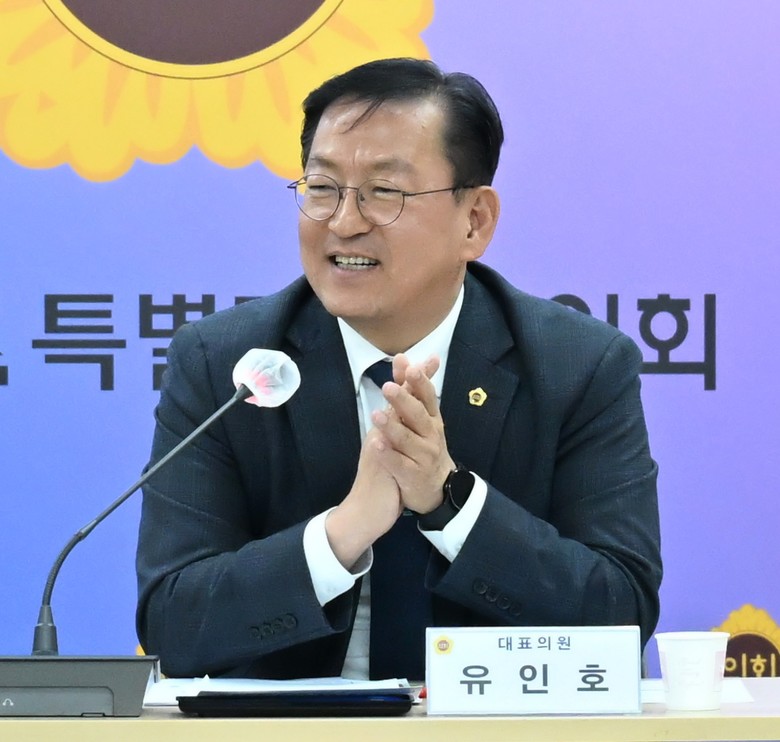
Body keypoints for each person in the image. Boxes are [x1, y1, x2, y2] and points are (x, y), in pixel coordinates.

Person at [136, 57, 662, 681]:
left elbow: (620, 615)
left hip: (487, 724)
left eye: (384, 192)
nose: (343, 222)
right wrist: (342, 534)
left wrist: (449, 502)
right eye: (322, 188)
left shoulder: (578, 366)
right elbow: (172, 623)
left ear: (475, 221)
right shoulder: (224, 363)